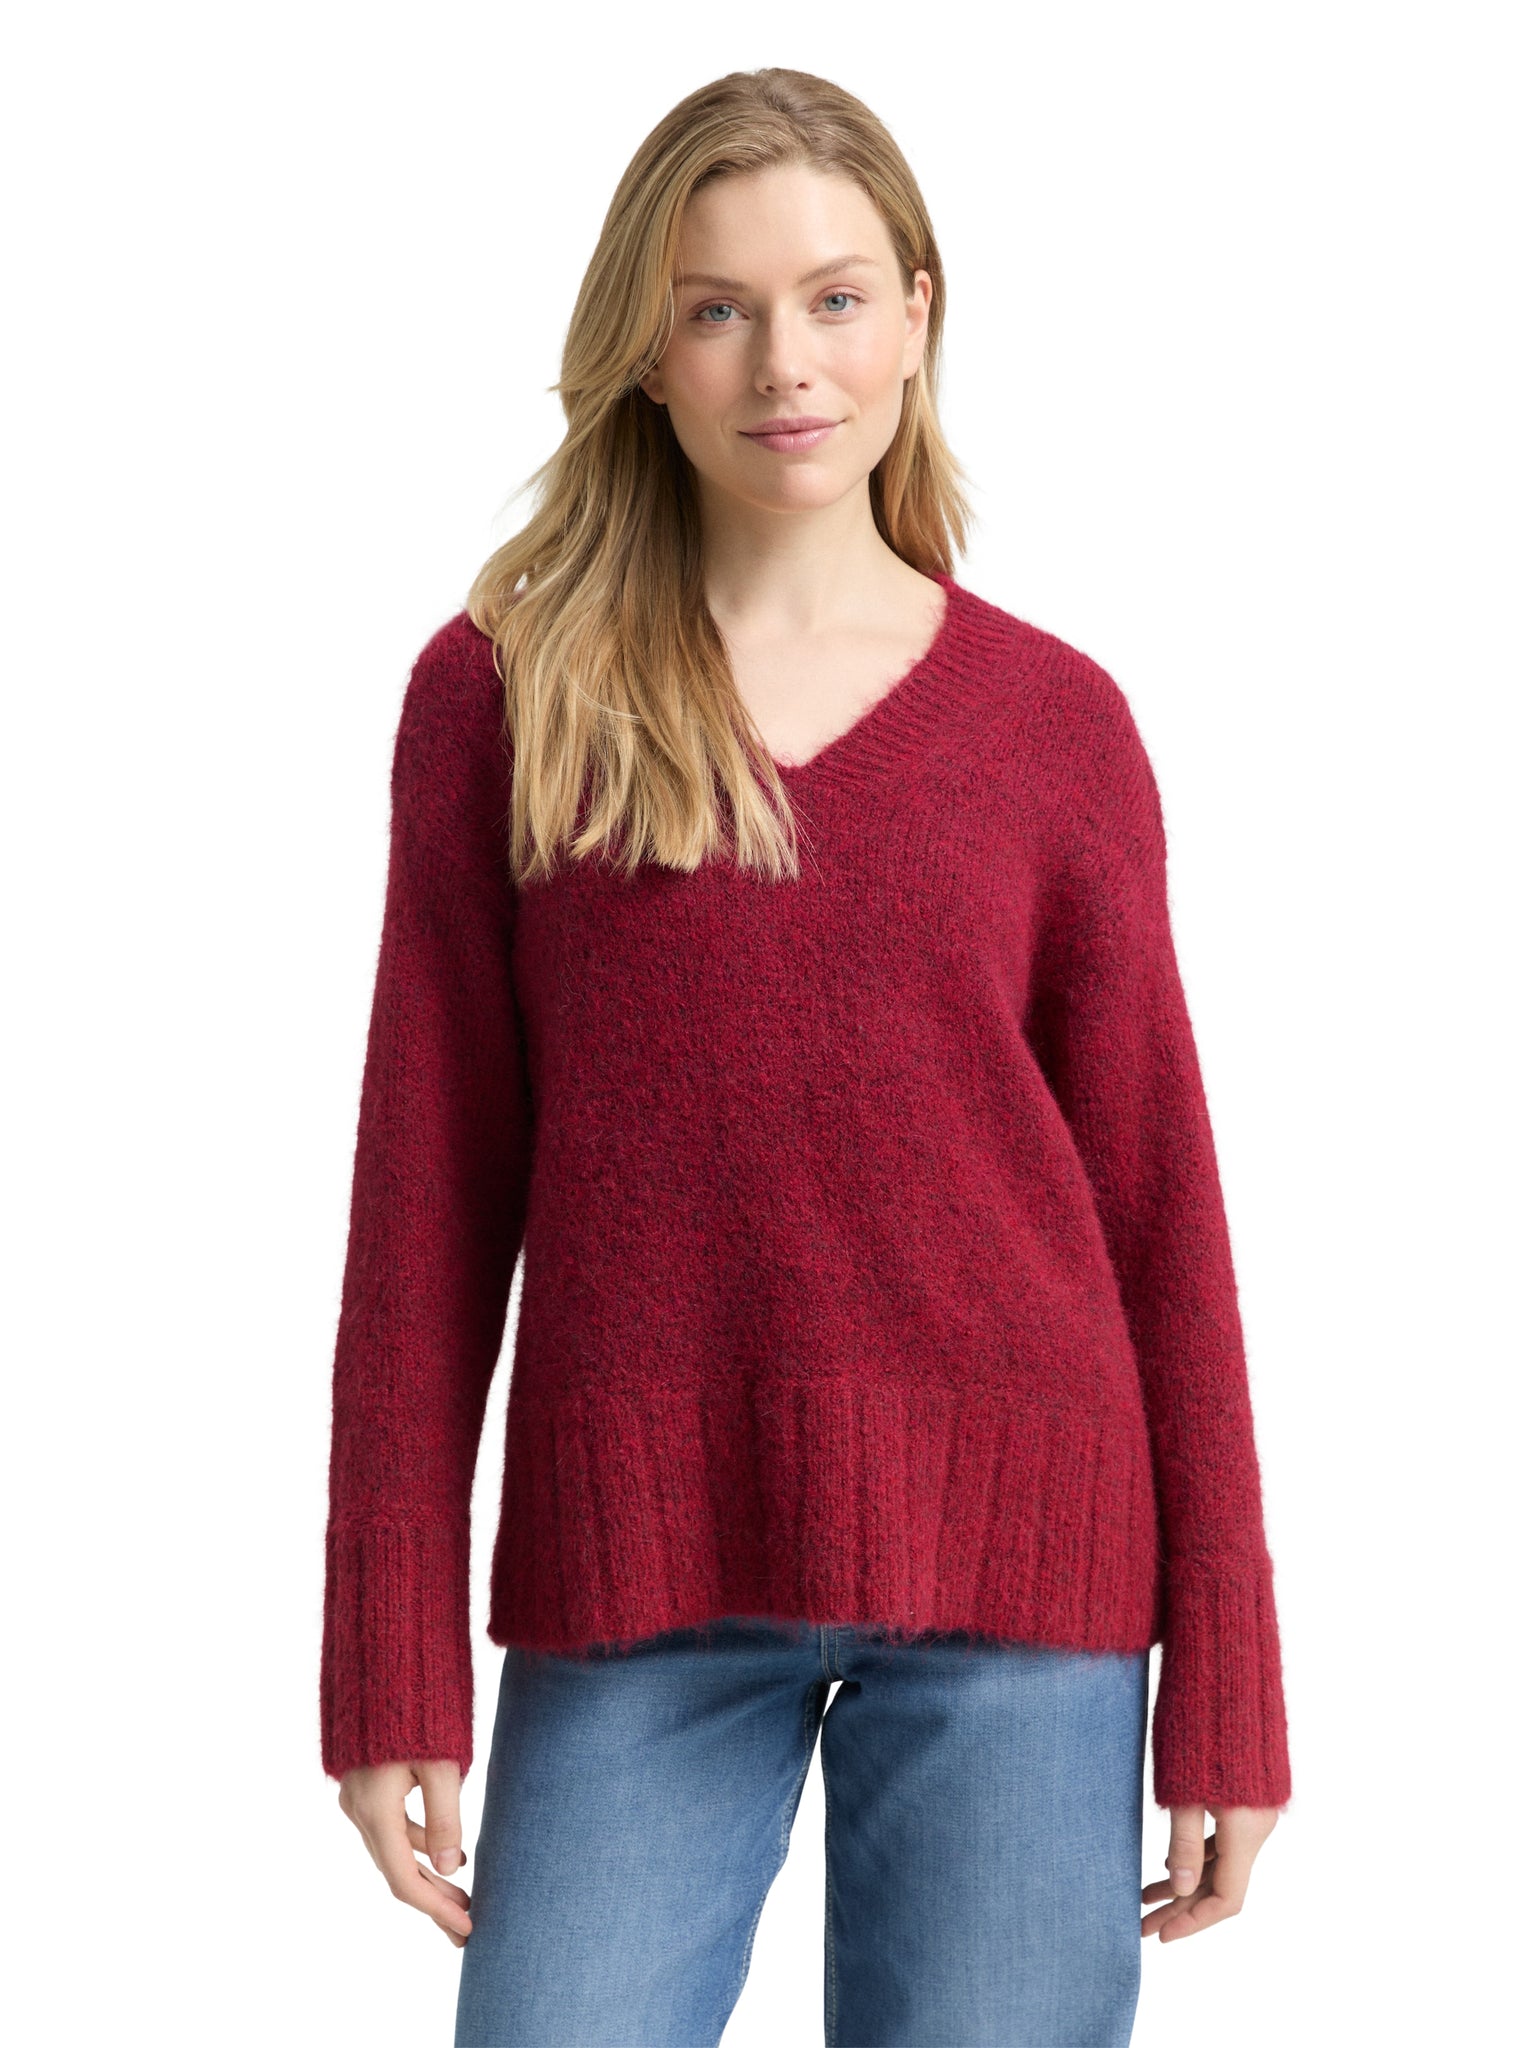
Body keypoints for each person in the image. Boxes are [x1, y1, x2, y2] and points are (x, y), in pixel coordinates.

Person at [319, 65, 1292, 2048]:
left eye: (836, 298)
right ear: (644, 350)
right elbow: (427, 1195)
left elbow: (1158, 1213)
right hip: (638, 1581)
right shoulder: (506, 695)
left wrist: (1230, 1671)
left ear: (917, 316)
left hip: (1023, 1579)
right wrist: (387, 1650)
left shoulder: (1052, 729)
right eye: (718, 308)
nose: (786, 363)